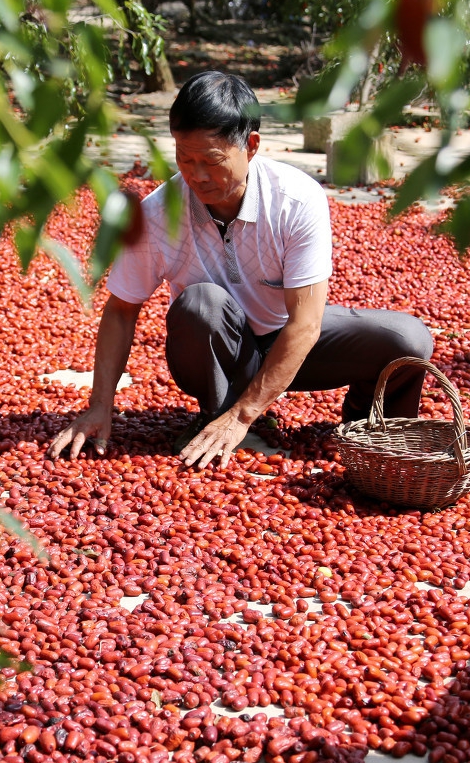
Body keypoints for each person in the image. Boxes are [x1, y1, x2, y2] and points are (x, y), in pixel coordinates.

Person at [48, 71, 434, 469]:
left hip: (289, 342)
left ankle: (369, 432)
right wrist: (100, 407)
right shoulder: (159, 214)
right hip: (215, 350)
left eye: (211, 161)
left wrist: (244, 414)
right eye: (184, 158)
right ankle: (217, 417)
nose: (196, 175)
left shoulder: (296, 200)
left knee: (408, 340)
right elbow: (120, 310)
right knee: (201, 304)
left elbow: (304, 325)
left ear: (251, 146)